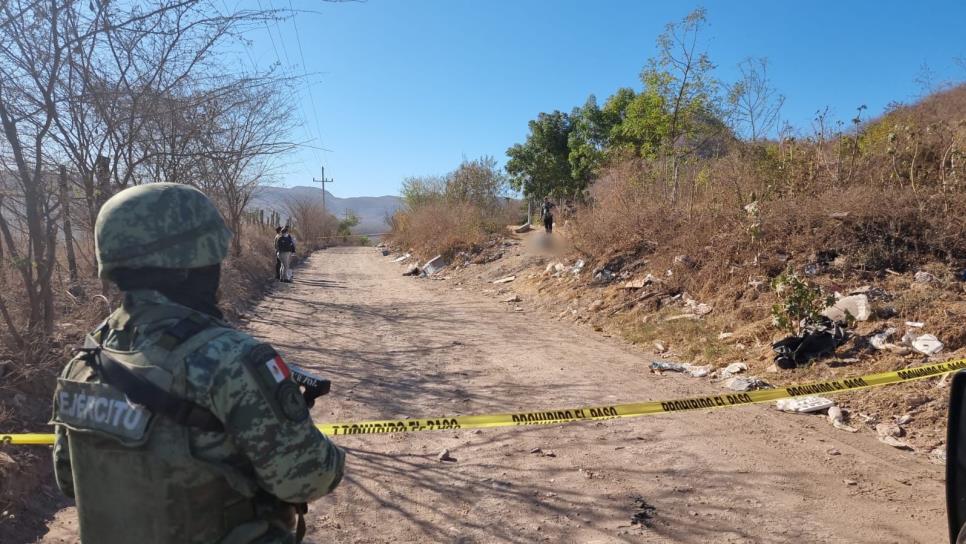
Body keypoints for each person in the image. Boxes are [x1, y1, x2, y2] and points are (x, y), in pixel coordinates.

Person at [51, 183, 344, 544]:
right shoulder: (232, 359)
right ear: (193, 266)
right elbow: (310, 477)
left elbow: (68, 480)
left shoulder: (85, 360)